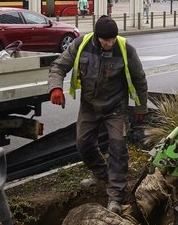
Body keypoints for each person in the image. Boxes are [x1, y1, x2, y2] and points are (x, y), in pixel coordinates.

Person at [47, 16, 148, 213]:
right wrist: (55, 88)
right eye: (105, 41)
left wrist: (141, 108)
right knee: (83, 144)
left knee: (118, 148)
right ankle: (102, 174)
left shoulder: (126, 49)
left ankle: (116, 196)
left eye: (112, 39)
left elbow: (140, 80)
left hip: (116, 107)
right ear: (97, 37)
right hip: (89, 106)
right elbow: (58, 66)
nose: (110, 44)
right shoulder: (81, 45)